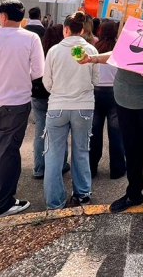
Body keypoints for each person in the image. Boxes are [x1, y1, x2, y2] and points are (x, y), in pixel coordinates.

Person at [76, 0, 143, 225]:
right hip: (124, 96)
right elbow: (118, 54)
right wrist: (92, 59)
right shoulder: (132, 28)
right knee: (131, 147)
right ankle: (134, 193)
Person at [0, 0, 44, 218]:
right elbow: (38, 71)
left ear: (3, 16)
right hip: (16, 102)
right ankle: (2, 202)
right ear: (21, 17)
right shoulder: (31, 37)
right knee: (8, 152)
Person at [43, 12, 99, 208]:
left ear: (65, 29)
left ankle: (54, 200)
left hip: (57, 106)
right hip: (83, 107)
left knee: (53, 154)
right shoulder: (90, 49)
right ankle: (82, 193)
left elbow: (46, 82)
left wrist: (59, 92)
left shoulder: (54, 51)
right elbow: (96, 80)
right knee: (82, 150)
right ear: (82, 30)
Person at [90, 19, 126, 179]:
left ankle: (91, 167)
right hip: (115, 92)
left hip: (95, 91)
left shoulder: (94, 47)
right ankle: (117, 169)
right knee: (116, 133)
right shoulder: (120, 47)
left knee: (94, 132)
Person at [31, 23, 65, 180]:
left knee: (40, 130)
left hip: (37, 94)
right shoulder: (61, 52)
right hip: (56, 96)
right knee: (60, 132)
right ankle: (61, 164)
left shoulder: (40, 51)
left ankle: (39, 167)